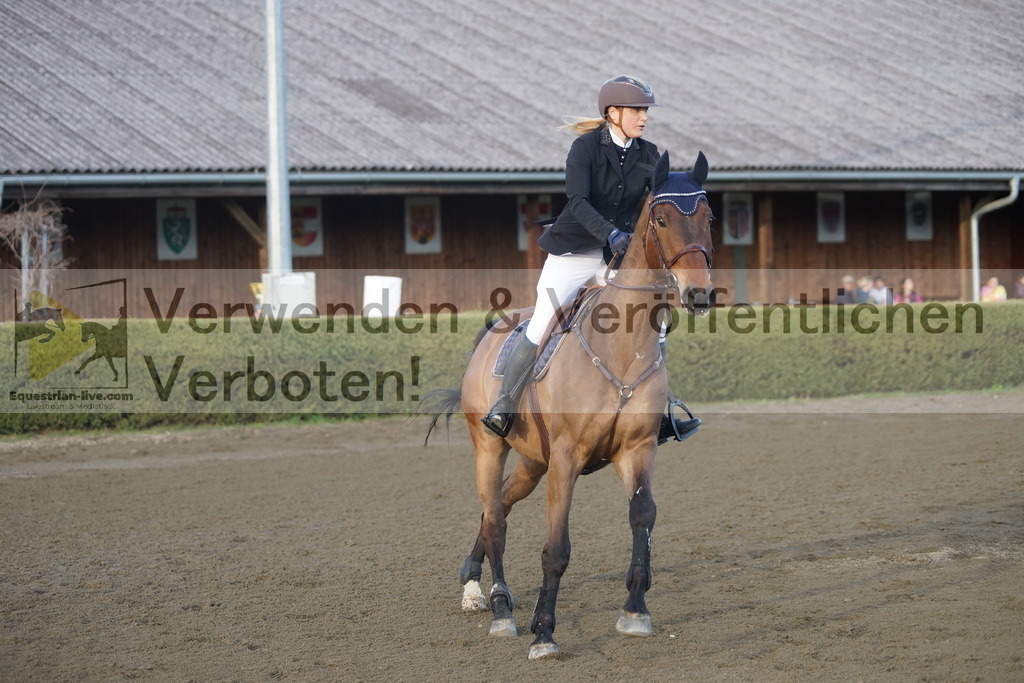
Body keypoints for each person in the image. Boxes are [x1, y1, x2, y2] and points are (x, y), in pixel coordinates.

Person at [481, 76, 700, 445]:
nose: (643, 117)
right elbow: (577, 202)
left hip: (616, 256)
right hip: (575, 251)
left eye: (645, 110)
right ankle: (504, 404)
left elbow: (658, 201)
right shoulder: (584, 148)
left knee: (654, 321)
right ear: (612, 113)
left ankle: (660, 412)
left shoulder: (649, 154)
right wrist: (610, 233)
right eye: (636, 110)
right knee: (543, 320)